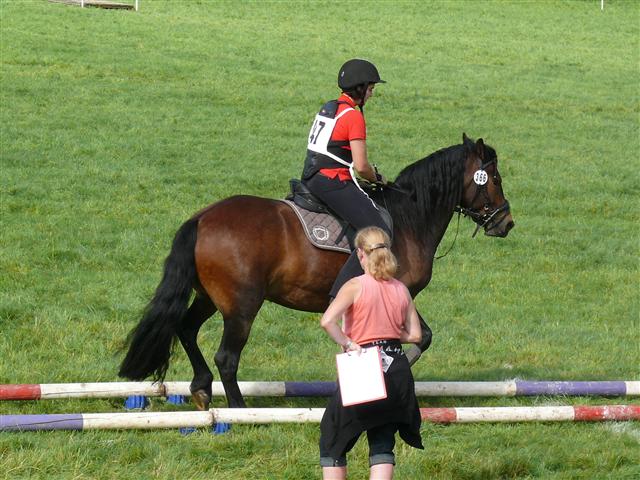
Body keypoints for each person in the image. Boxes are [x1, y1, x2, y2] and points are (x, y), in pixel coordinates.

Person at [318, 226, 424, 480]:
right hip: (396, 369)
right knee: (382, 441)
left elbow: (327, 321)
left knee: (333, 439)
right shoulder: (401, 289)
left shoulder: (355, 285)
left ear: (360, 254)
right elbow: (415, 335)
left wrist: (348, 342)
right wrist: (389, 333)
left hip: (364, 364)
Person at [302, 59, 392, 299]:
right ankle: (339, 294)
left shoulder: (330, 107)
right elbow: (361, 166)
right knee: (378, 231)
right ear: (360, 89)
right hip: (332, 180)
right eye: (371, 89)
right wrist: (377, 178)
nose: (372, 94)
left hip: (312, 177)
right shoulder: (353, 117)